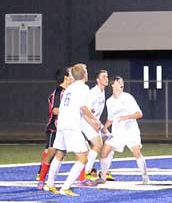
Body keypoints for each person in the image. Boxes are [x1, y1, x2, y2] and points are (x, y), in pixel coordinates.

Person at [44, 63, 101, 196]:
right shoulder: (83, 87)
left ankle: (49, 184)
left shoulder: (70, 88)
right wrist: (95, 119)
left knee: (60, 154)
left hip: (62, 125)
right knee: (83, 158)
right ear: (83, 74)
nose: (87, 73)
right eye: (86, 71)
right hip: (71, 126)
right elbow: (83, 107)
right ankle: (65, 187)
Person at [97, 76, 149, 185]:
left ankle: (145, 177)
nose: (122, 83)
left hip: (131, 131)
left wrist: (128, 117)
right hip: (118, 133)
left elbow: (139, 114)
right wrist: (104, 129)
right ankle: (103, 177)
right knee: (104, 151)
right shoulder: (109, 101)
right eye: (119, 82)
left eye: (122, 82)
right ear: (113, 85)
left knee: (137, 153)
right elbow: (110, 118)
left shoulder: (128, 97)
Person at [36, 68, 71, 185]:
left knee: (76, 151)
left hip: (65, 128)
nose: (72, 78)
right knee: (51, 152)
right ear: (66, 78)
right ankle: (41, 179)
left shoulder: (69, 92)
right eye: (70, 76)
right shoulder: (58, 92)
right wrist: (71, 111)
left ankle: (82, 179)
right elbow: (55, 110)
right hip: (54, 128)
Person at [80, 70, 114, 183]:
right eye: (104, 77)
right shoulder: (92, 92)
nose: (106, 79)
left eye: (107, 76)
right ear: (97, 80)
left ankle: (104, 171)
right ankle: (87, 172)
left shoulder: (102, 91)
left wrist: (100, 126)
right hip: (86, 122)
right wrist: (92, 123)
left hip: (96, 122)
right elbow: (84, 111)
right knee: (98, 144)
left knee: (111, 141)